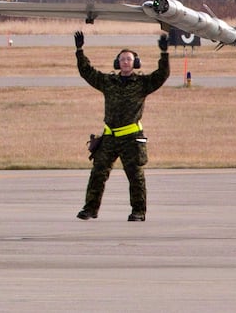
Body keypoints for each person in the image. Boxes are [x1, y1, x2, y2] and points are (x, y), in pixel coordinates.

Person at [73, 30, 170, 221]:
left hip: (131, 139)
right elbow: (87, 72)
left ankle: (138, 211)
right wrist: (79, 50)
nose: (126, 62)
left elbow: (162, 75)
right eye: (123, 59)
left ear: (135, 63)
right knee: (98, 174)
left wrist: (164, 55)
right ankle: (90, 209)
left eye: (129, 59)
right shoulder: (109, 82)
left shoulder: (142, 83)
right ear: (118, 63)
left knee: (135, 176)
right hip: (109, 137)